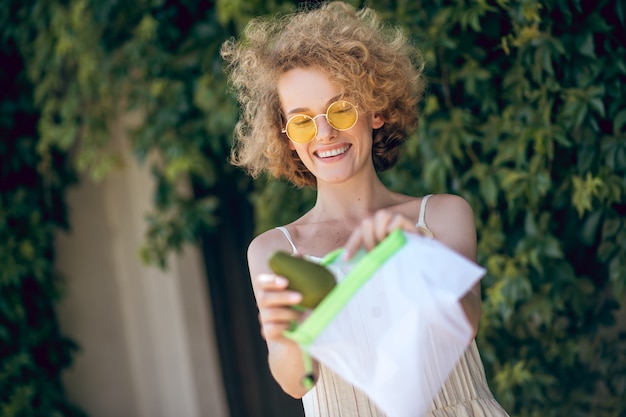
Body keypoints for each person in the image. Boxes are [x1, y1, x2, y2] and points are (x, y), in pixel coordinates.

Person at [221, 2, 509, 416]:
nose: (324, 133)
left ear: (375, 110)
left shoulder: (442, 216)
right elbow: (296, 382)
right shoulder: (274, 251)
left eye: (340, 109)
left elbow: (465, 326)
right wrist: (285, 338)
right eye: (302, 121)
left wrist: (414, 259)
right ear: (286, 137)